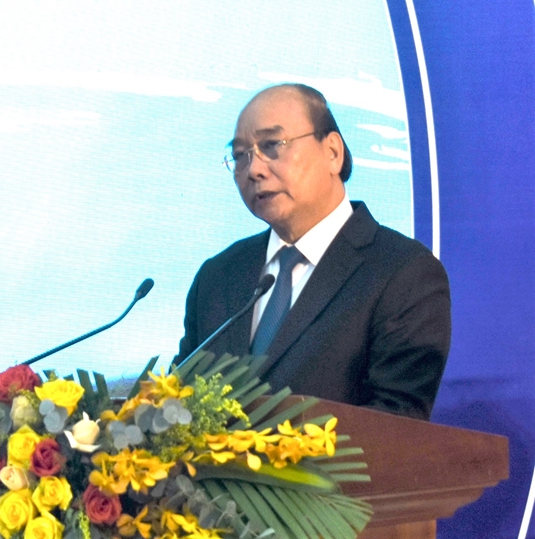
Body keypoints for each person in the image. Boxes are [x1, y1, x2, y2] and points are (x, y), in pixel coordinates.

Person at [174, 83, 451, 421]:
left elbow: (397, 422)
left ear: (332, 152)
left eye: (272, 146)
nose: (254, 169)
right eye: (241, 155)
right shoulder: (218, 277)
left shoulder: (402, 273)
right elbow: (177, 400)